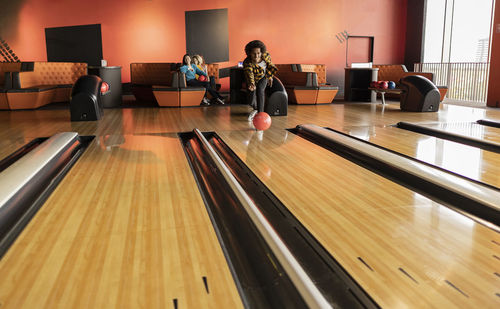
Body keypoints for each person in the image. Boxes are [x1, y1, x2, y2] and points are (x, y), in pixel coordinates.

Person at [243, 40, 278, 121]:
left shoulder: (266, 55)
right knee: (251, 101)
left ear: (261, 52)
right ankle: (255, 109)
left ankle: (260, 114)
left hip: (263, 77)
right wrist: (251, 84)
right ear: (249, 53)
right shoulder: (247, 62)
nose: (256, 56)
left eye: (258, 53)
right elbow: (249, 74)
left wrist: (270, 77)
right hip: (252, 79)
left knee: (260, 90)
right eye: (253, 53)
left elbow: (270, 66)